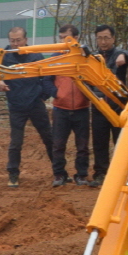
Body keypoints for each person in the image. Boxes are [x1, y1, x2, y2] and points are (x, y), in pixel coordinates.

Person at [0, 26, 55, 188]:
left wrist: (42, 96)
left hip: (36, 104)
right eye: (12, 41)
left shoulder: (36, 55)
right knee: (16, 142)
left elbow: (46, 77)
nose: (15, 44)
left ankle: (59, 171)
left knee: (48, 137)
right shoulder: (3, 56)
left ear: (25, 40)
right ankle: (13, 174)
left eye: (18, 40)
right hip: (16, 106)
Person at [50, 24, 92, 187]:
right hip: (61, 109)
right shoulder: (55, 58)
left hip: (82, 109)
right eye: (61, 38)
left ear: (77, 38)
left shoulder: (85, 58)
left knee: (82, 146)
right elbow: (46, 80)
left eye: (67, 38)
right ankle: (59, 175)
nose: (64, 41)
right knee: (58, 145)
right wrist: (56, 93)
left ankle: (81, 175)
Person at [89, 24, 128, 183]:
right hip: (99, 105)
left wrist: (123, 56)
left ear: (113, 38)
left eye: (106, 38)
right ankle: (100, 173)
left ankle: (121, 174)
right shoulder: (92, 58)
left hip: (118, 106)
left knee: (120, 142)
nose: (103, 41)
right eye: (100, 38)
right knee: (99, 142)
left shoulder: (120, 54)